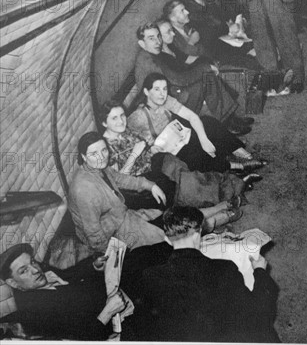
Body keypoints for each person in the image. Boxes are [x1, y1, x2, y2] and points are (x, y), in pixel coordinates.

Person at [100, 100, 250, 232]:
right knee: (185, 183)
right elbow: (119, 179)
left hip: (154, 163)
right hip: (142, 179)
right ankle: (230, 189)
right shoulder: (105, 147)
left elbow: (144, 150)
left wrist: (151, 150)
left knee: (184, 171)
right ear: (104, 123)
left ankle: (229, 185)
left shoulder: (126, 132)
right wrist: (134, 154)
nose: (121, 121)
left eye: (122, 116)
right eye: (114, 118)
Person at [139, 206, 280, 342]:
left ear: (167, 239)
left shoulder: (150, 277)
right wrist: (261, 272)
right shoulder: (225, 269)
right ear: (199, 233)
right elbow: (260, 313)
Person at [127, 73, 266, 174]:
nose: (162, 94)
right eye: (156, 89)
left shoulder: (166, 100)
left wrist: (204, 139)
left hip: (179, 136)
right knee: (194, 155)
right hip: (164, 153)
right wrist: (150, 149)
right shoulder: (138, 117)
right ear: (146, 91)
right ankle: (237, 167)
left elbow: (192, 117)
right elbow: (130, 142)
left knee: (208, 122)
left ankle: (243, 154)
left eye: (164, 89)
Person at [134, 21, 252, 136]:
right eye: (151, 38)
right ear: (142, 43)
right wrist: (204, 68)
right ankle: (228, 122)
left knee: (207, 76)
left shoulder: (155, 54)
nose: (158, 41)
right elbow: (178, 80)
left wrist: (204, 67)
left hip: (171, 94)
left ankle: (230, 118)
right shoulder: (149, 61)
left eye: (158, 36)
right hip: (166, 108)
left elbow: (179, 72)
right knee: (206, 78)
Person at [0, 244, 132, 340]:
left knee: (138, 255)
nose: (35, 270)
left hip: (113, 289)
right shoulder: (35, 311)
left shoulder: (43, 278)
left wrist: (93, 265)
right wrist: (109, 311)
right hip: (120, 316)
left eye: (33, 262)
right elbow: (83, 337)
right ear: (13, 283)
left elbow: (69, 273)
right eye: (24, 271)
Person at [68, 132, 167, 252]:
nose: (101, 157)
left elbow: (121, 179)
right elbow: (93, 232)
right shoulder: (84, 190)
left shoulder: (98, 167)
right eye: (94, 154)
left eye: (104, 150)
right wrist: (107, 253)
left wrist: (150, 186)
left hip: (118, 215)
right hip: (109, 232)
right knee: (164, 241)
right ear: (83, 157)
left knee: (163, 217)